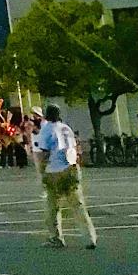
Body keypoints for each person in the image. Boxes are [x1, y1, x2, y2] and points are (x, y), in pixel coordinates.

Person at [34, 106, 97, 250]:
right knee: (78, 205)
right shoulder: (66, 128)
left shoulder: (47, 129)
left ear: (46, 116)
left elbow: (44, 153)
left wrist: (41, 172)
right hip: (71, 168)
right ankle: (90, 237)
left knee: (53, 206)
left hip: (54, 171)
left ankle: (56, 237)